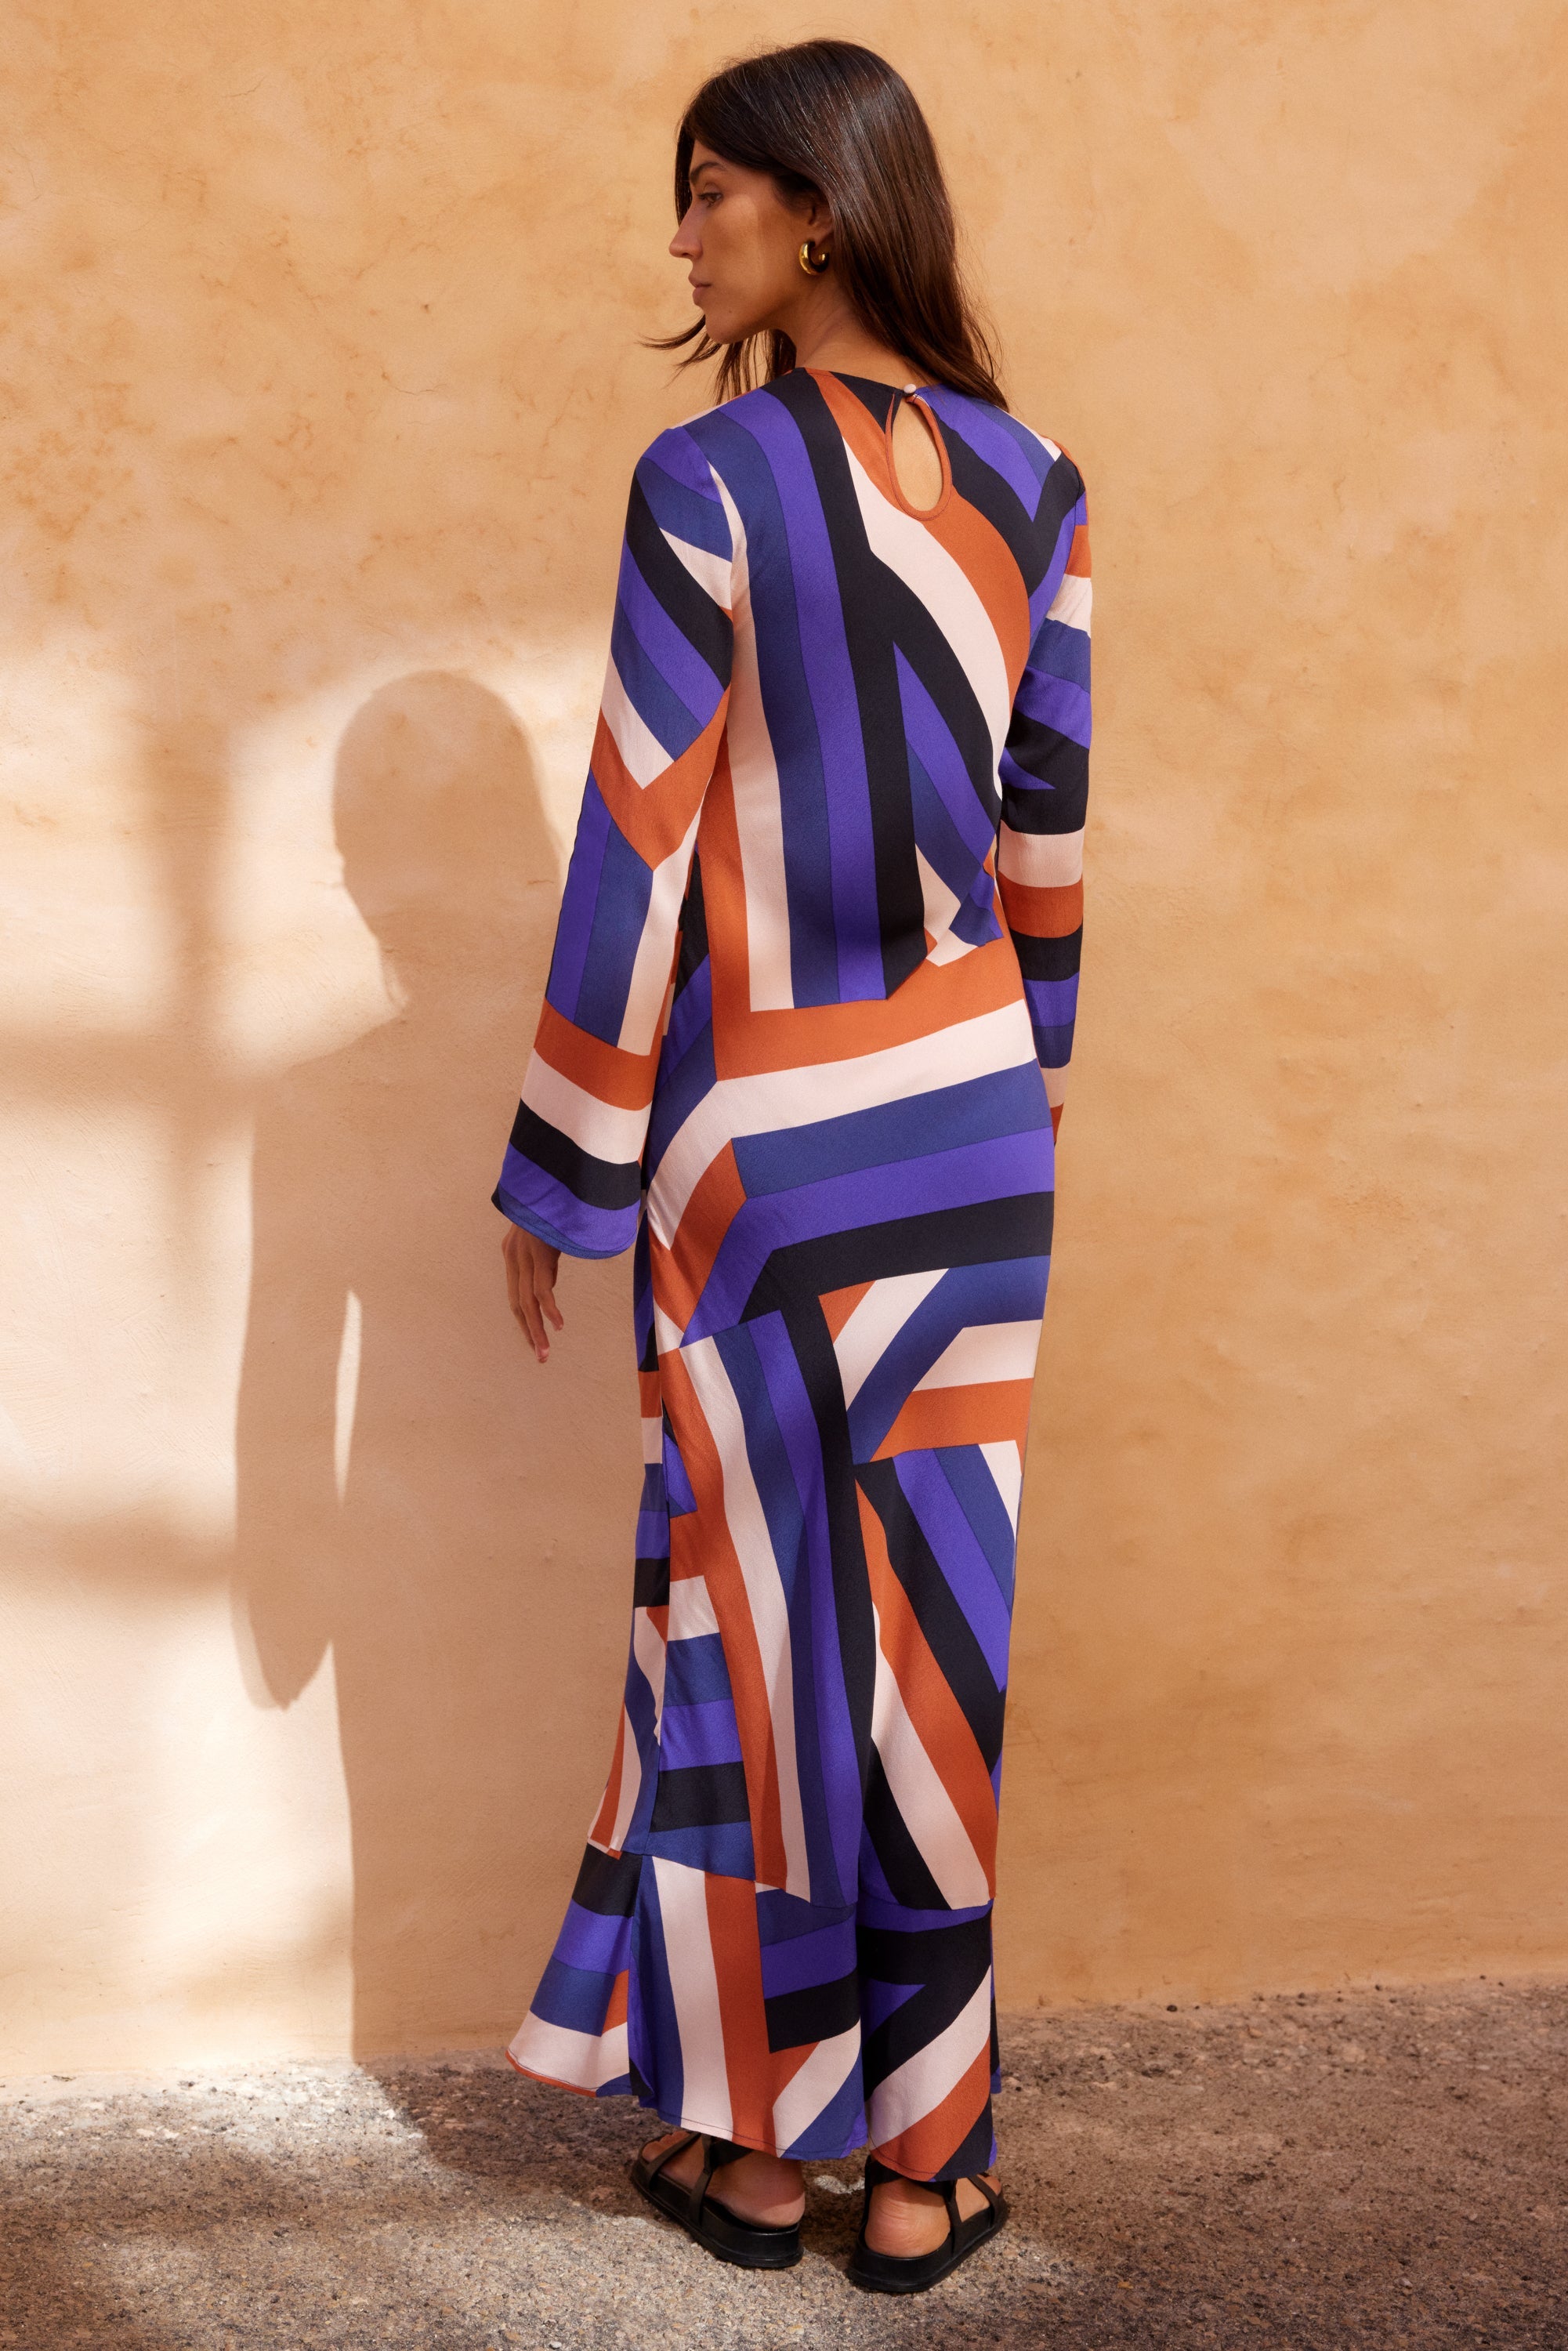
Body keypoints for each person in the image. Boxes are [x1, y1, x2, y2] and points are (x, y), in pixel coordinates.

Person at [494, 37, 1090, 2296]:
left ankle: (758, 2160)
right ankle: (925, 2171)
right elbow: (1046, 854)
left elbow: (636, 834)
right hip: (966, 1144)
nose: (681, 238)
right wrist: (1018, 1101)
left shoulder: (707, 477)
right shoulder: (1038, 486)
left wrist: (562, 1166)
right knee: (936, 1650)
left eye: (710, 193)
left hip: (756, 1156)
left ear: (821, 208)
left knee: (750, 1639)